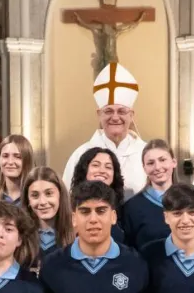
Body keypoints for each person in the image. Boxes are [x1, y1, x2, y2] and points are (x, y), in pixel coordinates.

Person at [63, 62, 147, 196]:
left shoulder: (146, 154)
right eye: (108, 111)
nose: (115, 117)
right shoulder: (80, 155)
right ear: (99, 115)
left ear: (131, 115)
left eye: (121, 111)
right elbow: (68, 199)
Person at [120, 139, 178, 249]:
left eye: (162, 160)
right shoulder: (132, 207)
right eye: (151, 163)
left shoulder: (190, 200)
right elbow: (128, 249)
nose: (157, 167)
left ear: (174, 162)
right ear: (144, 168)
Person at [69, 146, 128, 244]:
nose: (102, 170)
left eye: (108, 167)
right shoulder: (69, 206)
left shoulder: (123, 208)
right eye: (96, 165)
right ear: (84, 169)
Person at [22, 166, 76, 263]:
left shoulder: (77, 234)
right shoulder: (20, 236)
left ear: (60, 195)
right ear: (28, 200)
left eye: (49, 193)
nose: (42, 202)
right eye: (35, 195)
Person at [0, 134, 33, 209]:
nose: (10, 162)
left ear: (27, 160)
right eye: (5, 156)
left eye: (17, 157)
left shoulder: (35, 200)